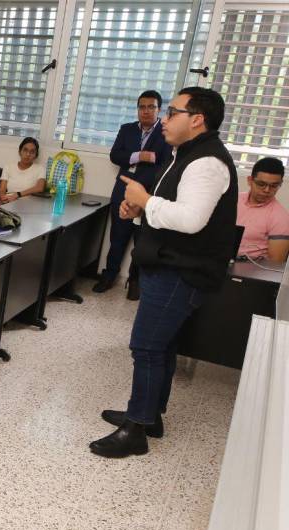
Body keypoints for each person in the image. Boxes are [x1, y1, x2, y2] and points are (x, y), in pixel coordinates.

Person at [90, 87, 237, 459]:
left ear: (197, 119)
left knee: (147, 346)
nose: (165, 119)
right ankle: (149, 415)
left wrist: (145, 201)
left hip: (181, 271)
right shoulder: (184, 154)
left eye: (172, 112)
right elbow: (174, 207)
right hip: (169, 264)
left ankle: (136, 430)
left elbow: (190, 220)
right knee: (163, 345)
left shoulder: (206, 162)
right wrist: (140, 211)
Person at [93, 90, 172, 300]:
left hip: (149, 194)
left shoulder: (166, 133)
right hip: (123, 191)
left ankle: (135, 280)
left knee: (142, 241)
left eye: (151, 107)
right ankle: (109, 275)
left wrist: (149, 160)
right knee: (117, 237)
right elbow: (115, 155)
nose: (146, 111)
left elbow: (166, 163)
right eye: (142, 107)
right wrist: (141, 156)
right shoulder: (127, 129)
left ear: (159, 110)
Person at [236, 157, 289, 262]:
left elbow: (275, 264)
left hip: (248, 271)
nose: (267, 190)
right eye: (261, 184)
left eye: (274, 186)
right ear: (250, 180)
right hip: (216, 260)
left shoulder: (281, 217)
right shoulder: (233, 200)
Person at [0, 137, 46, 203]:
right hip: (9, 202)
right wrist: (3, 199)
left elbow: (40, 188)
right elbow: (2, 191)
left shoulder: (40, 169)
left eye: (32, 152)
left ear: (36, 155)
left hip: (28, 204)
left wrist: (18, 195)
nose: (28, 154)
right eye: (25, 150)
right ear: (20, 151)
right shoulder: (8, 167)